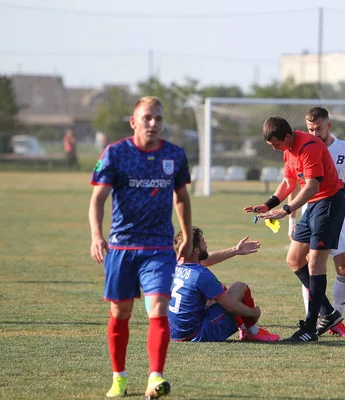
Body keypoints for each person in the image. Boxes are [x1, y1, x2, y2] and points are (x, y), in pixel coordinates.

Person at [89, 96, 193, 399]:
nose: (153, 124)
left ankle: (154, 377)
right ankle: (119, 378)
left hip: (160, 247)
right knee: (120, 313)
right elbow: (97, 200)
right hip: (122, 248)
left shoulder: (174, 154)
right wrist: (97, 236)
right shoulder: (115, 154)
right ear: (133, 122)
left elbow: (182, 198)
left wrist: (186, 235)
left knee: (158, 309)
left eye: (158, 119)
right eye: (147, 118)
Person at [244, 116, 345, 342]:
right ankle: (328, 313)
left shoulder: (308, 146)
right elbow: (289, 182)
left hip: (329, 203)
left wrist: (287, 209)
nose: (275, 148)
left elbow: (312, 186)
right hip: (313, 205)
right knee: (294, 259)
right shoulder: (288, 149)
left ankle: (310, 329)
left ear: (287, 136)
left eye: (276, 144)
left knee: (315, 264)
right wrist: (269, 204)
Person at [288, 107, 345, 338]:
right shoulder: (303, 148)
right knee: (309, 263)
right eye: (310, 129)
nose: (314, 132)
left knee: (344, 267)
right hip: (312, 211)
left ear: (329, 126)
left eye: (318, 128)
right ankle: (322, 317)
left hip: (336, 211)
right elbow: (294, 183)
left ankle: (334, 315)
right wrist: (291, 218)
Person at [168, 226, 279, 343]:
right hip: (198, 334)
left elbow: (206, 260)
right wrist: (253, 313)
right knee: (239, 287)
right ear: (196, 250)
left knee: (217, 290)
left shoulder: (174, 265)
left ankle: (243, 328)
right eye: (202, 241)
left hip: (175, 333)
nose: (205, 243)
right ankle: (253, 331)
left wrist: (236, 250)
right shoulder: (201, 274)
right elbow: (231, 306)